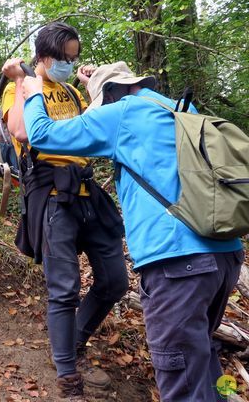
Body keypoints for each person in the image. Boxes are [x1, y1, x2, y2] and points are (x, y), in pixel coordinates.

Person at [15, 60, 244, 401]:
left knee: (182, 382)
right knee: (203, 361)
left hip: (176, 263)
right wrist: (96, 80)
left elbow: (43, 135)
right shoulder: (176, 107)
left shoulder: (120, 113)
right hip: (225, 254)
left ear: (109, 96)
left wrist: (32, 92)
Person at [1, 23, 129, 400]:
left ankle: (72, 342)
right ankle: (68, 378)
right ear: (43, 58)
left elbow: (91, 127)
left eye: (74, 58)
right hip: (52, 193)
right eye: (64, 59)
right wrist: (23, 82)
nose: (70, 64)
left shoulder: (71, 90)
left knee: (115, 281)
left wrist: (94, 85)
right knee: (64, 290)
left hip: (87, 190)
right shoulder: (20, 87)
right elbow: (21, 132)